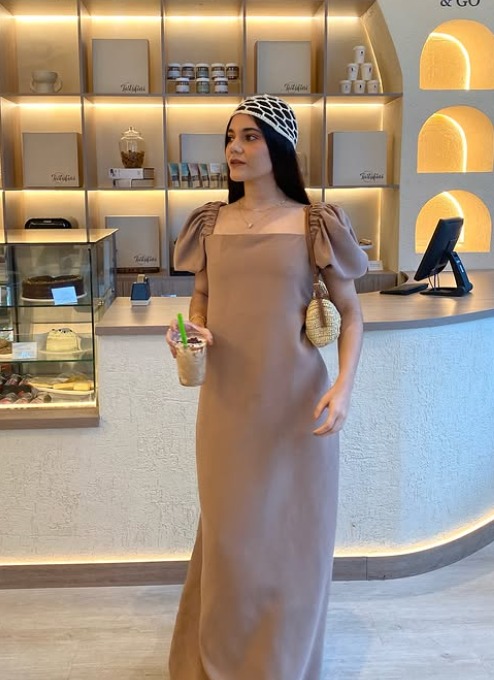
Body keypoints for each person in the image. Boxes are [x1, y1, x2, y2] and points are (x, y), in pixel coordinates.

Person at [166, 93, 368, 680]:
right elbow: (201, 298)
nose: (235, 147)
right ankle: (218, 662)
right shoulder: (210, 222)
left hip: (298, 407)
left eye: (250, 136)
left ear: (279, 146)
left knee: (292, 540)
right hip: (227, 407)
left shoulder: (314, 224)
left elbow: (352, 316)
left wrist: (344, 388)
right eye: (230, 137)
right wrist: (190, 331)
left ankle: (280, 665)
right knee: (230, 538)